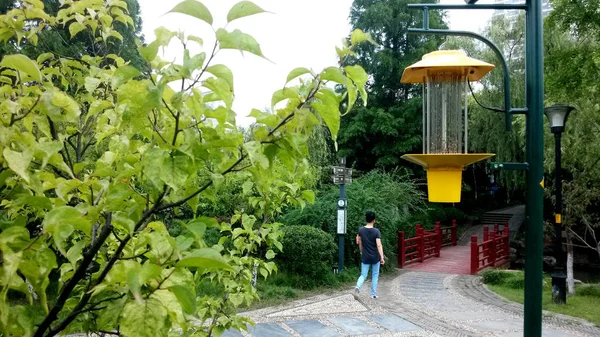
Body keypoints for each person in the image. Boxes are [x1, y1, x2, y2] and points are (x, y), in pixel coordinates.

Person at [354, 210, 384, 299]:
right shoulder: (376, 231)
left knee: (363, 275)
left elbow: (359, 242)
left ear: (366, 219)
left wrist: (361, 251)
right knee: (375, 275)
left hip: (365, 256)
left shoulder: (361, 230)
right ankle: (373, 294)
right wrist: (382, 257)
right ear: (374, 220)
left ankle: (357, 287)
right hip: (375, 257)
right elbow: (378, 244)